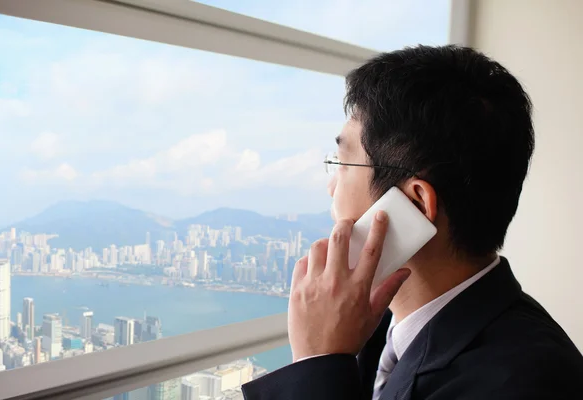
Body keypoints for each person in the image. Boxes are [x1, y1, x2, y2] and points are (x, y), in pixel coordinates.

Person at [241, 45, 583, 399]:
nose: (330, 186)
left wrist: (316, 364)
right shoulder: (372, 327)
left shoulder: (522, 382)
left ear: (416, 203)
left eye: (343, 164)